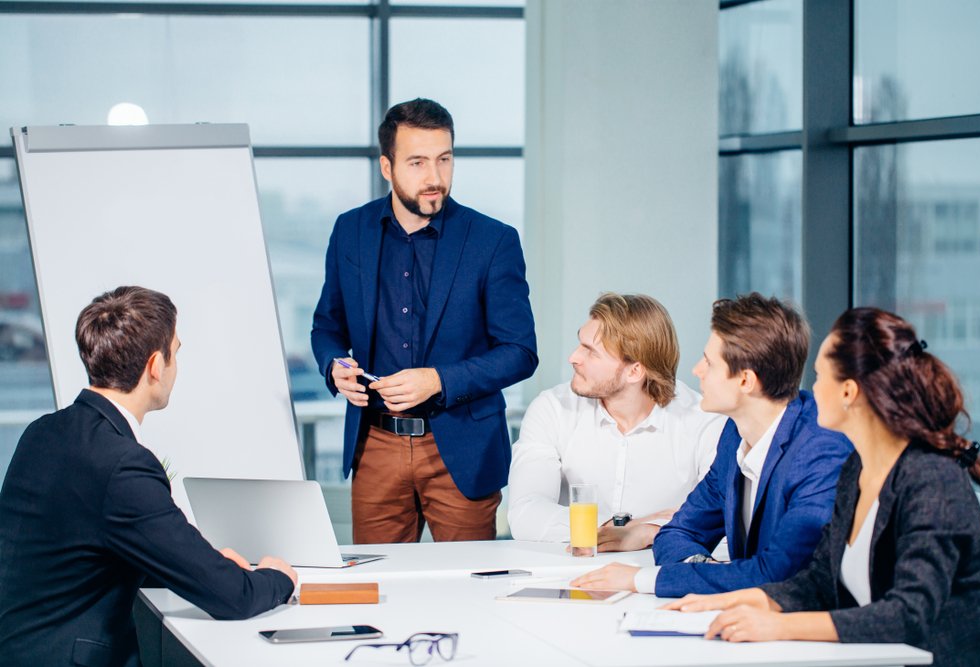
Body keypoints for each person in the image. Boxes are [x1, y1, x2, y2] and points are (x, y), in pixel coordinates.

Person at [666, 308, 980, 667]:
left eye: (819, 376)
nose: (809, 389)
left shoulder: (932, 480)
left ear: (848, 392)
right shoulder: (857, 467)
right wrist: (747, 599)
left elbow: (907, 614)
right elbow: (820, 578)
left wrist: (779, 626)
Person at [0, 286, 297, 667]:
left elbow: (86, 548)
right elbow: (232, 598)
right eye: (176, 351)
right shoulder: (123, 464)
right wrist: (278, 577)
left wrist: (203, 562)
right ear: (156, 365)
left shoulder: (44, 432)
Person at [311, 98, 537, 544]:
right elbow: (326, 327)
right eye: (417, 162)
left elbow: (520, 353)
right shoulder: (349, 231)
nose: (435, 178)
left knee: (469, 598)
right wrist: (335, 367)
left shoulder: (493, 241)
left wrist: (438, 379)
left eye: (444, 160)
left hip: (462, 450)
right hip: (374, 446)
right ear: (386, 166)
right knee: (376, 597)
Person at [572, 293, 852, 595]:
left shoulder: (821, 449)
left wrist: (641, 580)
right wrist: (705, 569)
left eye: (709, 362)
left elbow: (776, 575)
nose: (696, 371)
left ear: (745, 381)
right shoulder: (735, 433)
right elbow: (677, 533)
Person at [507, 293, 725, 550]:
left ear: (634, 371)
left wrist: (649, 533)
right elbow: (526, 514)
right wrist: (624, 528)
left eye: (591, 351)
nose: (574, 357)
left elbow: (718, 516)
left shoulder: (704, 420)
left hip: (660, 572)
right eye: (580, 343)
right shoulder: (552, 408)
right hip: (568, 568)